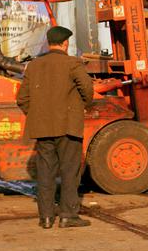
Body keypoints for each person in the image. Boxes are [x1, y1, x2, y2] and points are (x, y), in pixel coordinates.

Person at [17, 26, 95, 229]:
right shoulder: (72, 63)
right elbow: (87, 87)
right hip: (68, 126)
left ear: (49, 42)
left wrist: (38, 116)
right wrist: (83, 106)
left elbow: (22, 99)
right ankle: (68, 215)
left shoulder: (33, 65)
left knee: (45, 172)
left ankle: (46, 218)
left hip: (42, 128)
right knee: (70, 171)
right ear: (65, 43)